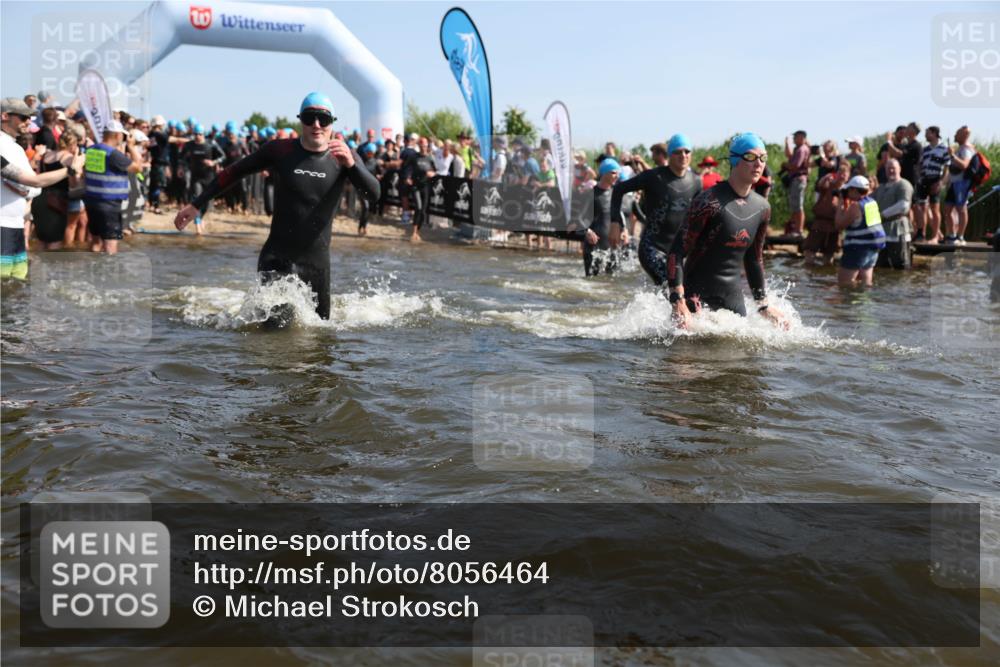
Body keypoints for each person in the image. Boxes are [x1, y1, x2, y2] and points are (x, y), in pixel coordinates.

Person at [173, 92, 380, 321]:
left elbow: (374, 194)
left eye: (324, 119)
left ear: (333, 122)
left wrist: (352, 166)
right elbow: (233, 172)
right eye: (310, 118)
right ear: (300, 119)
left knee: (320, 338)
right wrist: (196, 205)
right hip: (276, 258)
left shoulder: (343, 157)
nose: (317, 125)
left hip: (317, 265)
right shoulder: (280, 151)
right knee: (269, 335)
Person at [668, 132, 787, 328]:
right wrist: (678, 300)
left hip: (733, 302)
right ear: (734, 160)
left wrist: (763, 305)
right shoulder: (708, 202)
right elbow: (676, 252)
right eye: (750, 157)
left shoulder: (762, 208)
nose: (758, 163)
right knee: (683, 358)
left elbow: (754, 259)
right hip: (696, 298)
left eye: (763, 158)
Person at [2, 98, 83, 278]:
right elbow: (34, 182)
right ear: (5, 116)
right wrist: (70, 169)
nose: (29, 121)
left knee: (18, 282)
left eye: (30, 117)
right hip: (3, 226)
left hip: (15, 224)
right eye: (24, 117)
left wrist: (26, 187)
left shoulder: (15, 148)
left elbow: (33, 187)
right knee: (4, 284)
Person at [614, 133, 701, 290]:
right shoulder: (654, 177)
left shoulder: (695, 181)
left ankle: (649, 314)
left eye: (687, 151)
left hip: (678, 253)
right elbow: (619, 189)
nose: (683, 155)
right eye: (678, 152)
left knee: (685, 292)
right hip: (652, 248)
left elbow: (699, 216)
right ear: (669, 154)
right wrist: (615, 223)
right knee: (672, 288)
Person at [82, 119, 143, 255]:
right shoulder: (113, 154)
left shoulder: (91, 150)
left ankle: (92, 269)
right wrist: (132, 147)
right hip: (109, 204)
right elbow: (138, 168)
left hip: (92, 201)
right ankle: (109, 272)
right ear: (117, 135)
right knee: (111, 243)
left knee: (96, 241)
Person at [31, 124, 86, 249]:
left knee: (41, 239)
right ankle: (52, 268)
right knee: (54, 240)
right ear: (73, 145)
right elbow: (73, 184)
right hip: (57, 202)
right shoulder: (69, 159)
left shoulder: (45, 155)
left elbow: (39, 175)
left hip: (40, 199)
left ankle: (38, 268)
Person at [835, 175, 886, 287]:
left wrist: (840, 203)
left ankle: (847, 305)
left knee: (844, 285)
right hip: (873, 249)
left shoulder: (856, 207)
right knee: (865, 284)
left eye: (849, 190)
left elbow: (839, 225)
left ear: (854, 190)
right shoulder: (872, 202)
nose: (847, 193)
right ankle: (863, 304)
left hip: (857, 249)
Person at [581, 158, 626, 276]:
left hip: (612, 247)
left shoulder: (615, 194)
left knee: (611, 284)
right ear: (604, 173)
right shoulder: (591, 193)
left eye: (618, 173)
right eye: (613, 172)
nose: (617, 176)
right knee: (592, 282)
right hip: (593, 246)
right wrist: (587, 231)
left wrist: (624, 230)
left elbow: (618, 217)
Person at [804, 159, 851, 266]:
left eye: (845, 173)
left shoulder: (849, 191)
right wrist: (825, 177)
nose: (842, 175)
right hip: (820, 223)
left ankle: (825, 276)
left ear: (848, 176)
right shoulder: (828, 184)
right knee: (810, 251)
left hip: (834, 226)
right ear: (837, 173)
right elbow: (820, 186)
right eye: (840, 172)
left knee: (829, 256)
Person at [180, 124, 224, 234]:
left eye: (200, 134)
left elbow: (223, 156)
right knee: (197, 199)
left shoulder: (211, 143)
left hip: (209, 177)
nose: (197, 136)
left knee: (207, 203)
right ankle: (198, 226)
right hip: (196, 177)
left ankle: (200, 218)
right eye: (195, 134)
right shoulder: (189, 145)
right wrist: (183, 167)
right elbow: (181, 157)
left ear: (203, 134)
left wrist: (213, 162)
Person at [872, 158, 914, 269]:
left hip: (898, 230)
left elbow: (903, 205)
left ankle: (901, 287)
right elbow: (869, 203)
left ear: (899, 169)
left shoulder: (904, 184)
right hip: (881, 231)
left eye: (893, 168)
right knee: (882, 266)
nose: (891, 171)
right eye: (888, 168)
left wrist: (882, 215)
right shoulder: (881, 187)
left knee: (901, 266)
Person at [914, 126, 951, 243]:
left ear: (934, 133)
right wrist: (919, 177)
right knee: (921, 207)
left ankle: (935, 236)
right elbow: (920, 164)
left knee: (935, 208)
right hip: (924, 179)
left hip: (936, 179)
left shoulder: (943, 149)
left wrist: (941, 182)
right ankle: (921, 234)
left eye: (927, 133)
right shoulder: (925, 149)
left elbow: (947, 168)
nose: (925, 135)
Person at [942, 125, 975, 245]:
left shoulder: (966, 149)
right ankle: (952, 235)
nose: (955, 135)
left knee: (961, 209)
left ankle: (961, 237)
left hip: (962, 183)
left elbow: (964, 165)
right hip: (954, 182)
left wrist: (952, 155)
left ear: (964, 135)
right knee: (947, 208)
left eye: (957, 133)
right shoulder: (960, 148)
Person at [782, 129, 810, 235]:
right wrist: (786, 144)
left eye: (796, 137)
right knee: (795, 205)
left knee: (798, 205)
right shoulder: (798, 149)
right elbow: (789, 156)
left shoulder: (802, 149)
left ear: (802, 138)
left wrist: (785, 166)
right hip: (796, 179)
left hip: (798, 179)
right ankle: (795, 229)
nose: (794, 138)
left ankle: (799, 230)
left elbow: (795, 166)